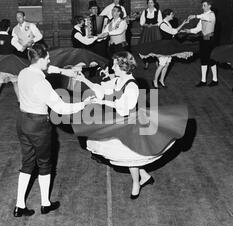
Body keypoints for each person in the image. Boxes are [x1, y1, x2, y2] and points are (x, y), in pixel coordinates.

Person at [72, 51, 188, 199]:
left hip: (132, 122)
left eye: (115, 64)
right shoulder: (118, 79)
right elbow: (102, 88)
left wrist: (102, 102)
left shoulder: (131, 86)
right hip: (122, 120)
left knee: (129, 154)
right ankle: (144, 175)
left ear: (122, 66)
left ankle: (136, 183)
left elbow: (124, 108)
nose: (112, 66)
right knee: (127, 153)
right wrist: (84, 80)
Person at [14, 43, 96, 217]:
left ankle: (19, 205)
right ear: (41, 59)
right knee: (44, 164)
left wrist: (65, 72)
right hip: (38, 125)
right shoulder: (42, 83)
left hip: (22, 122)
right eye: (48, 58)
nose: (50, 61)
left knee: (27, 163)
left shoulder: (23, 73)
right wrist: (84, 104)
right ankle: (45, 203)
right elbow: (61, 108)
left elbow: (48, 69)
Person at [134, 8, 193, 88]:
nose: (173, 15)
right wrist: (183, 24)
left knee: (167, 64)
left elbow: (171, 32)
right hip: (164, 47)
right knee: (162, 64)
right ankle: (155, 80)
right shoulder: (162, 24)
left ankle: (161, 80)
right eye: (172, 14)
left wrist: (182, 31)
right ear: (167, 15)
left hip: (170, 45)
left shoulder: (167, 23)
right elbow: (173, 32)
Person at [183, 0, 217, 87]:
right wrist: (189, 31)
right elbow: (198, 28)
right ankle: (203, 80)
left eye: (204, 5)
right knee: (203, 59)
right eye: (202, 6)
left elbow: (206, 17)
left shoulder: (211, 15)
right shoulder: (202, 16)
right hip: (203, 39)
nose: (202, 7)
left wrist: (195, 16)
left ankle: (215, 79)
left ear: (209, 6)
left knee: (211, 59)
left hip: (210, 39)